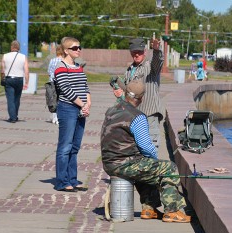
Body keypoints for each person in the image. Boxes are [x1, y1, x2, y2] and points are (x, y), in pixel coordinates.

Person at [101, 80, 191, 223]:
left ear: (125, 93)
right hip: (124, 164)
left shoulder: (111, 110)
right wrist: (154, 161)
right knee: (168, 168)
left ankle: (149, 209)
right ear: (141, 98)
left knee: (146, 167)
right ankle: (172, 211)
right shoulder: (137, 116)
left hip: (108, 163)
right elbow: (146, 147)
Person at [113, 38, 164, 153]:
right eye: (134, 52)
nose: (137, 54)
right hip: (134, 116)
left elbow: (158, 62)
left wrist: (156, 50)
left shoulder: (150, 67)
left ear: (145, 52)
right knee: (137, 150)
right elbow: (130, 94)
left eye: (139, 51)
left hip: (149, 115)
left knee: (150, 149)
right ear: (130, 52)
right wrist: (121, 95)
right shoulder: (129, 70)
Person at [54, 37, 91, 192]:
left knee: (75, 147)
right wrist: (82, 104)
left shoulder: (78, 67)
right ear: (66, 50)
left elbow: (85, 86)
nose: (78, 50)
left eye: (79, 47)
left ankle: (73, 179)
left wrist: (88, 103)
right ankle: (62, 181)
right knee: (65, 147)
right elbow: (66, 90)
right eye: (75, 48)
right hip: (68, 109)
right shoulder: (60, 68)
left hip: (81, 110)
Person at [1, 40, 29, 123]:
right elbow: (26, 71)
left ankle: (12, 117)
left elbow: (2, 70)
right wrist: (27, 82)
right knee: (17, 99)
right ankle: (15, 115)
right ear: (18, 48)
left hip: (9, 79)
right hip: (19, 80)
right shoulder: (23, 57)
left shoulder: (5, 56)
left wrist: (2, 78)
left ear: (11, 47)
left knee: (10, 99)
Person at [47, 44, 64, 125]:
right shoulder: (64, 61)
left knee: (53, 100)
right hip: (61, 82)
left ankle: (54, 118)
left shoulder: (52, 60)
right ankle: (59, 118)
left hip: (52, 82)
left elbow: (49, 72)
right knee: (60, 100)